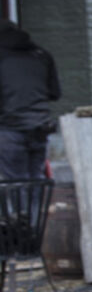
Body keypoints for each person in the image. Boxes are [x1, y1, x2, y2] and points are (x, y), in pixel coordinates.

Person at [0, 19, 60, 180]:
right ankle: (35, 198)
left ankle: (22, 198)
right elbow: (55, 93)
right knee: (36, 179)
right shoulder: (42, 55)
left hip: (9, 128)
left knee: (16, 181)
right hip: (40, 127)